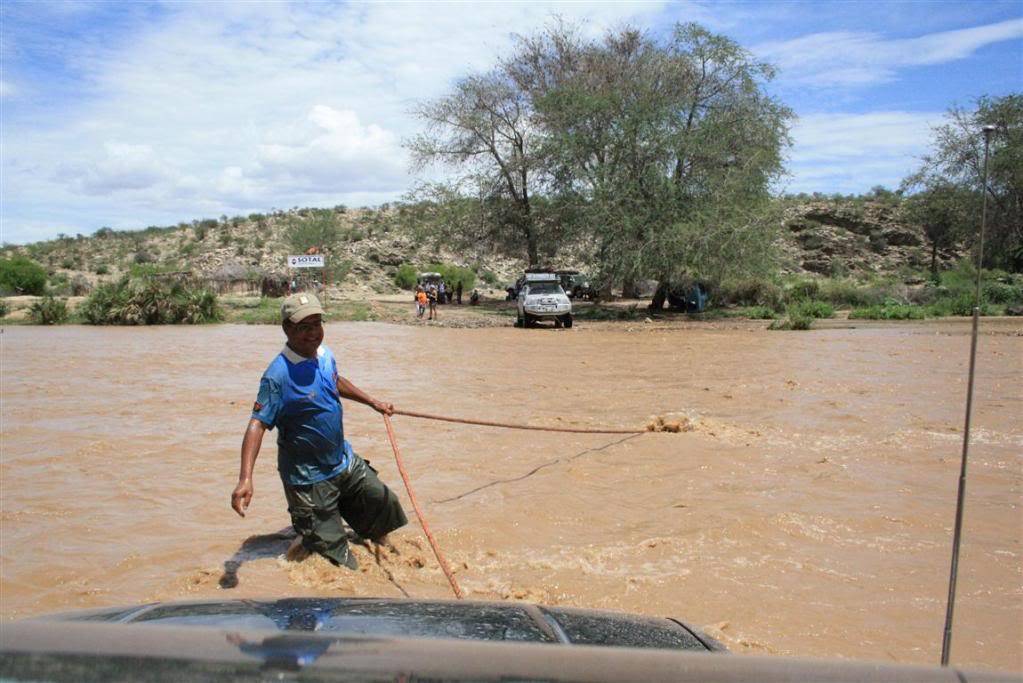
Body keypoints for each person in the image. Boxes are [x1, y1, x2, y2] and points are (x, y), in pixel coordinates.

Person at [231, 293, 407, 570]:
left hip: (341, 461)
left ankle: (329, 529)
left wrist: (373, 402)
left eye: (317, 324)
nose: (313, 333)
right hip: (308, 477)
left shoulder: (324, 355)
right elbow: (257, 424)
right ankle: (307, 537)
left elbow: (334, 381)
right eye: (304, 327)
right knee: (338, 562)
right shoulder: (277, 375)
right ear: (287, 329)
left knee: (383, 504)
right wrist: (245, 479)